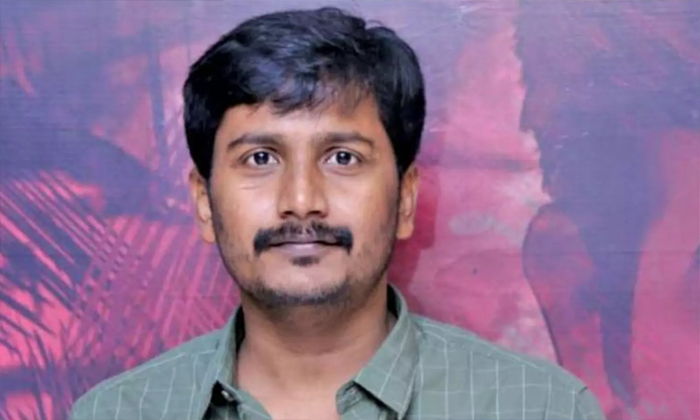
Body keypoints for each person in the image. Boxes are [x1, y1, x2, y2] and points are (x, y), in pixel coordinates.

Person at [69, 7, 605, 420]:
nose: (302, 200)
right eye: (260, 158)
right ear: (204, 203)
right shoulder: (117, 413)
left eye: (343, 157)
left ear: (406, 199)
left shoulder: (539, 407)